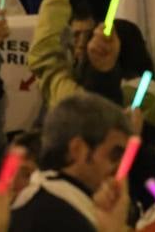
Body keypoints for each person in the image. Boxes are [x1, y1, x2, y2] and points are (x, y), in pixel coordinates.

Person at [9, 92, 131, 232]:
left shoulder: (39, 201)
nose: (120, 167)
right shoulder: (60, 216)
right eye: (115, 155)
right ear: (78, 150)